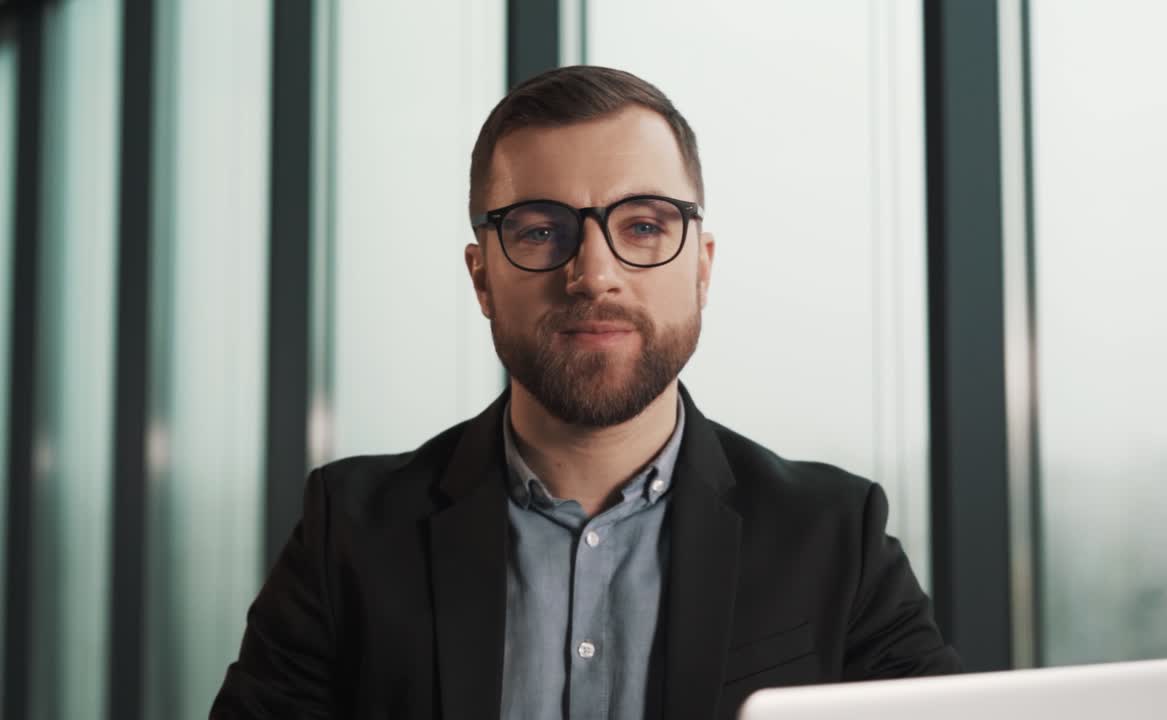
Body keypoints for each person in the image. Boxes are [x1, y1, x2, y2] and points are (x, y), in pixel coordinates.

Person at [211, 65, 960, 720]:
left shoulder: (836, 536)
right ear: (481, 277)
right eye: (541, 231)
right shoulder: (348, 533)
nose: (594, 274)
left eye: (644, 226)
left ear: (702, 267)